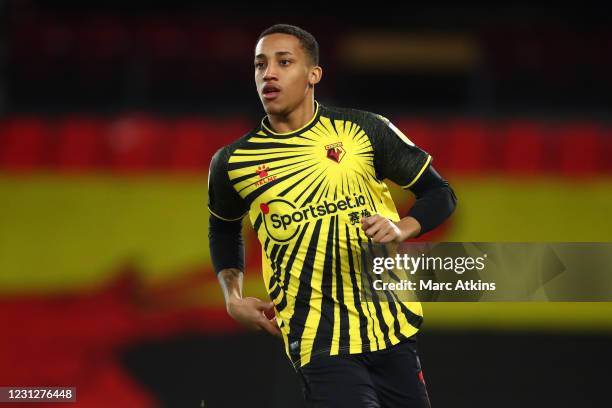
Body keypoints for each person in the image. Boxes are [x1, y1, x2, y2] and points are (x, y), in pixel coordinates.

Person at [207, 23, 457, 408]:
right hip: (317, 339)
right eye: (259, 65)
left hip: (391, 324)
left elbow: (440, 193)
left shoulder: (364, 130)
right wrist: (233, 296)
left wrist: (401, 227)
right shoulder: (233, 163)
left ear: (313, 74)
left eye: (283, 62)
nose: (268, 73)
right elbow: (223, 230)